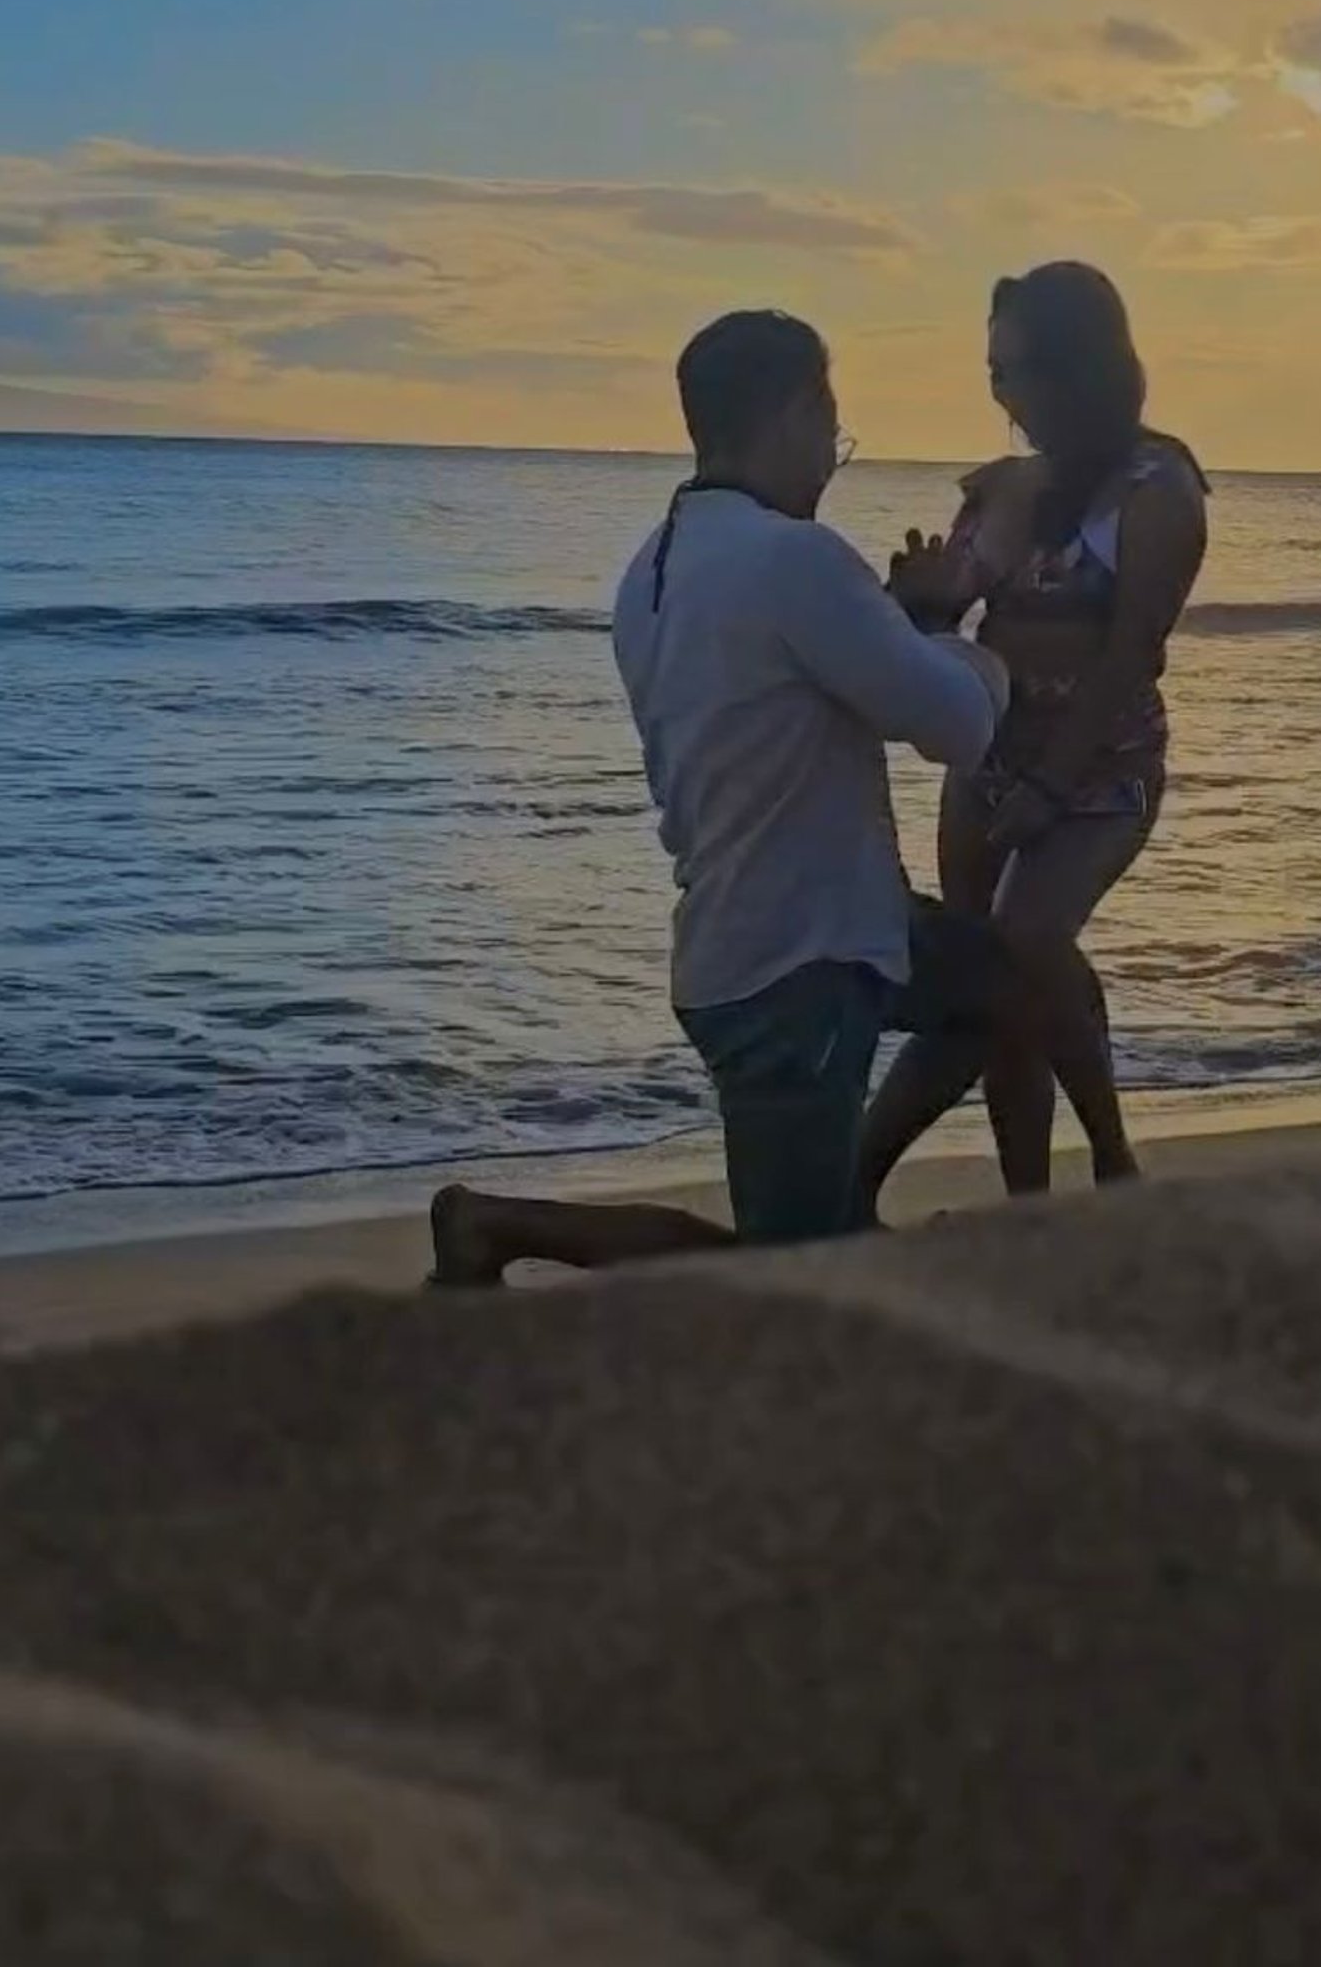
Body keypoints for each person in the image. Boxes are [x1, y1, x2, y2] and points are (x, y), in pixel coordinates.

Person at [429, 309, 1134, 1286]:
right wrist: (959, 622)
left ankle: (970, 1192)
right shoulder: (790, 558)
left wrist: (910, 624)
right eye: (832, 430)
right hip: (791, 972)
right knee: (780, 1270)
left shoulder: (656, 570)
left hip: (835, 933)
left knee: (1022, 984)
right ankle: (492, 1225)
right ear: (803, 408)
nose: (831, 459)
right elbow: (958, 725)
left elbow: (802, 692)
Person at [870, 262, 1207, 1200]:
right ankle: (1028, 1200)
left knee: (1027, 935)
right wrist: (924, 608)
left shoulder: (1159, 490)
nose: (1000, 392)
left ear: (1080, 367)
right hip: (988, 763)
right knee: (992, 983)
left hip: (1101, 773)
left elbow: (1130, 653)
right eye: (992, 371)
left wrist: (1052, 787)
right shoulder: (1002, 490)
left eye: (1013, 369)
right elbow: (957, 622)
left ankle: (1112, 1158)